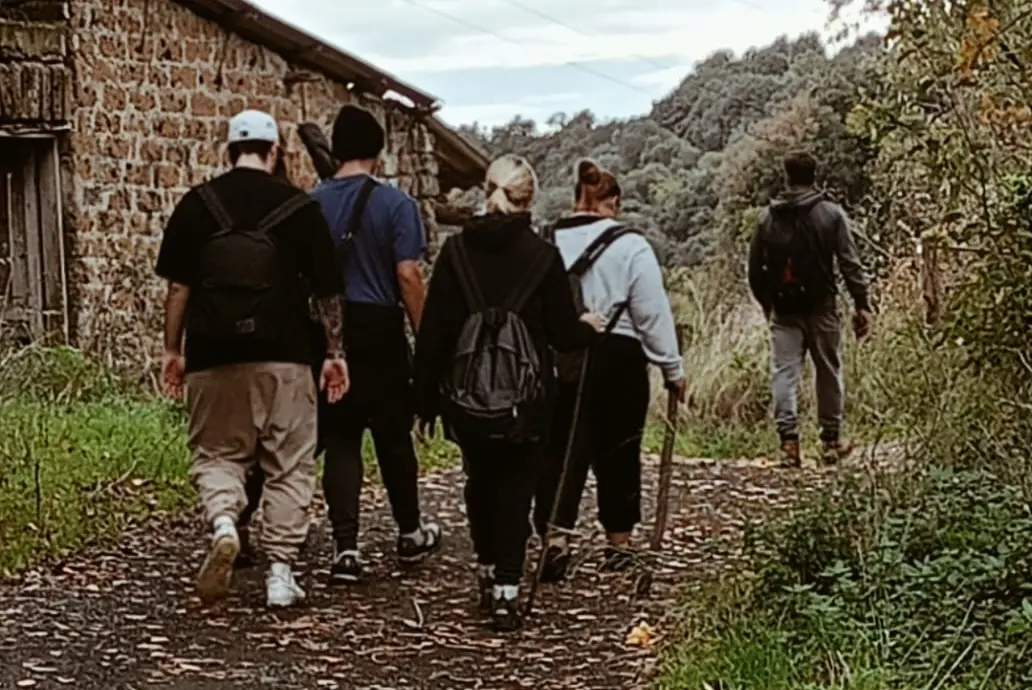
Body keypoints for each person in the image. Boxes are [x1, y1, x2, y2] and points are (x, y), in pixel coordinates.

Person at [156, 109, 349, 609]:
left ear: (228, 152)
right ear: (275, 151)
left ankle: (224, 521)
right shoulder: (300, 208)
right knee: (288, 463)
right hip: (285, 357)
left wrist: (172, 350)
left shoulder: (197, 206)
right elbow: (328, 293)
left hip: (212, 357)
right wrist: (334, 353)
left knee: (217, 453)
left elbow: (179, 288)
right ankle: (280, 574)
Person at [413, 154, 602, 632]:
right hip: (527, 398)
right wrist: (589, 327)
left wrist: (425, 400)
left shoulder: (456, 254)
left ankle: (483, 567)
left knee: (480, 479)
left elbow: (434, 331)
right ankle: (507, 590)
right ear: (529, 202)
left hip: (467, 396)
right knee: (518, 486)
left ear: (486, 191)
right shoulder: (542, 256)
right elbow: (561, 334)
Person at [533, 159, 686, 583]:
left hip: (561, 353)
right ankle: (619, 543)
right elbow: (651, 312)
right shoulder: (630, 245)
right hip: (618, 355)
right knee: (619, 449)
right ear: (612, 202)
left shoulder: (546, 239)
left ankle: (555, 537)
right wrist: (672, 368)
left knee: (559, 449)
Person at [310, 104, 441, 585]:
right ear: (377, 152)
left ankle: (346, 547)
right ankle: (409, 532)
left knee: (342, 435)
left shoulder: (313, 202)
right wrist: (426, 336)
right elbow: (408, 274)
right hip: (381, 328)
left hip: (331, 331)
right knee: (392, 435)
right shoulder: (397, 205)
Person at [747, 150, 873, 467]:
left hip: (783, 310)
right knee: (828, 371)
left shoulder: (767, 218)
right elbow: (849, 262)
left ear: (786, 177)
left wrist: (768, 306)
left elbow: (754, 270)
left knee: (784, 373)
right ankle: (830, 441)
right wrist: (862, 303)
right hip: (822, 306)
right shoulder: (831, 214)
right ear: (814, 176)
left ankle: (789, 445)